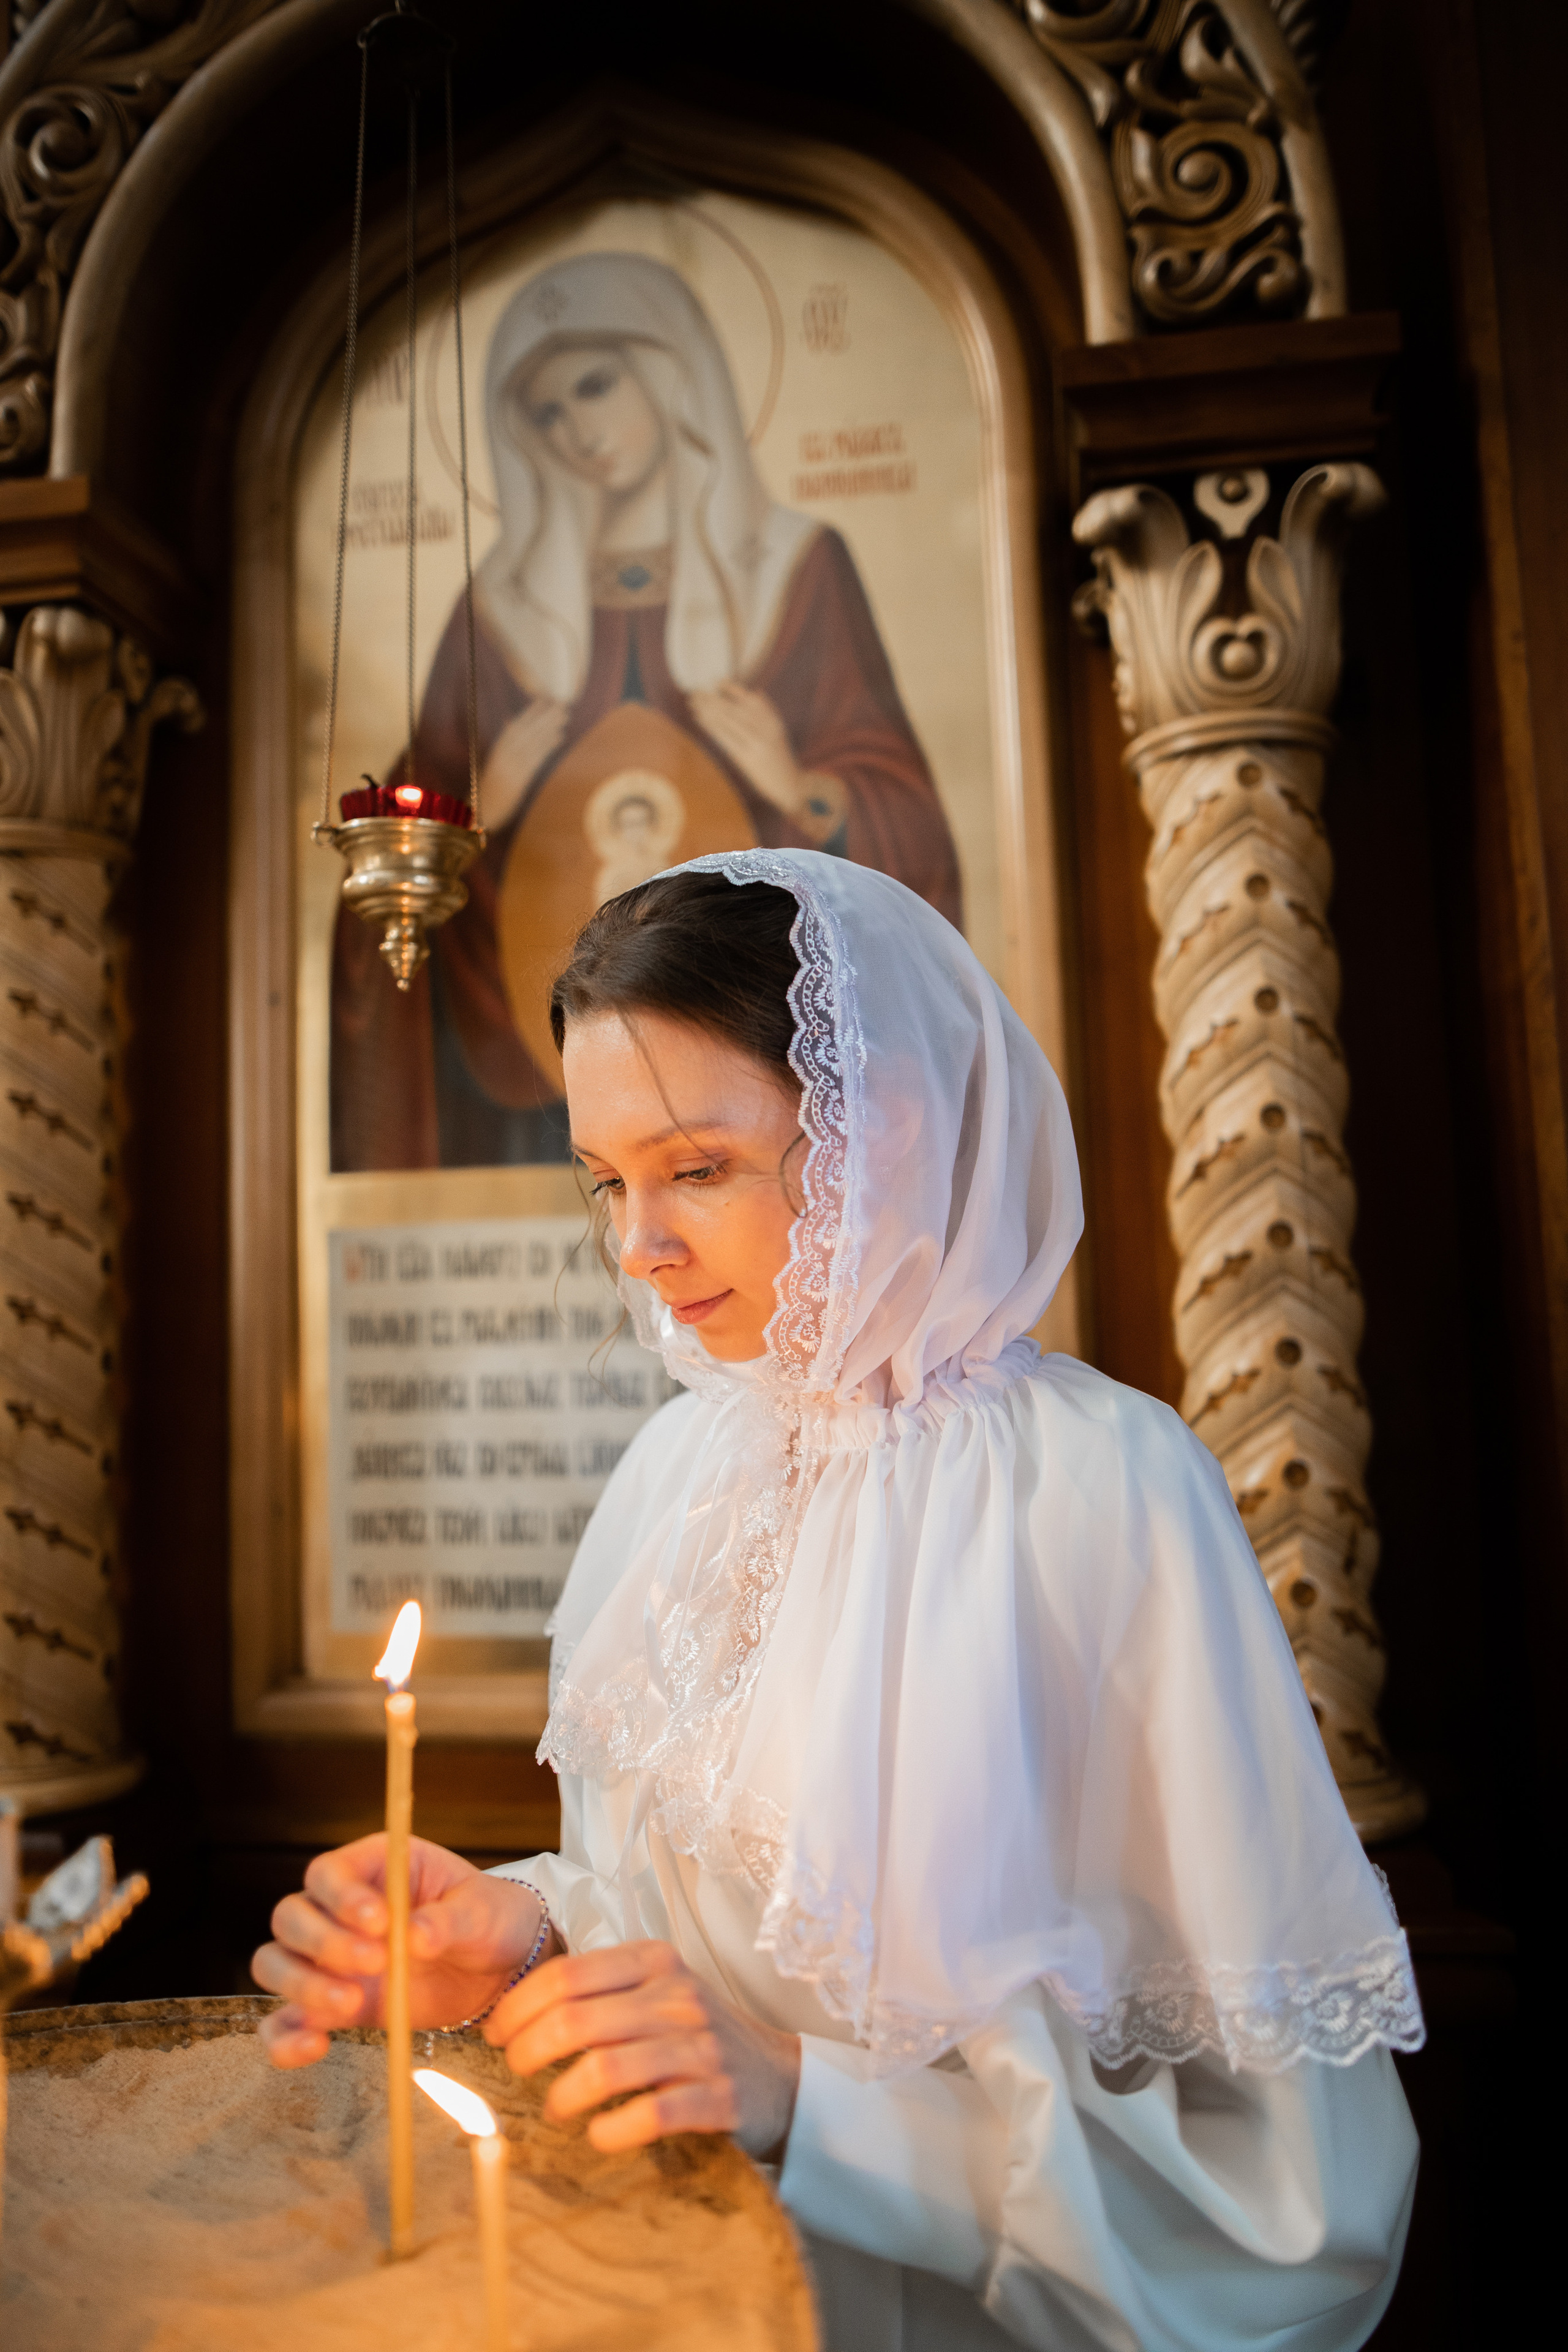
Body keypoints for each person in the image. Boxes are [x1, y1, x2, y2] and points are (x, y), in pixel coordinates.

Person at [265, 851, 1422, 2351]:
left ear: (888, 1126)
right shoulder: (679, 1475)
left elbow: (1289, 2197)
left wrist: (816, 2105)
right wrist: (527, 1934)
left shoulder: (1102, 1489)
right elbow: (691, 1923)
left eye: (696, 1168)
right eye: (607, 1180)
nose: (638, 1246)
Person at [331, 253, 962, 1174]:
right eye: (546, 413)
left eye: (595, 386)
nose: (577, 432)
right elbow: (388, 881)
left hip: (754, 1094)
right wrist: (480, 815)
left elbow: (913, 838)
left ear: (671, 374)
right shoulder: (498, 613)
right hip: (539, 1086)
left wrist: (804, 788)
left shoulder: (795, 571)